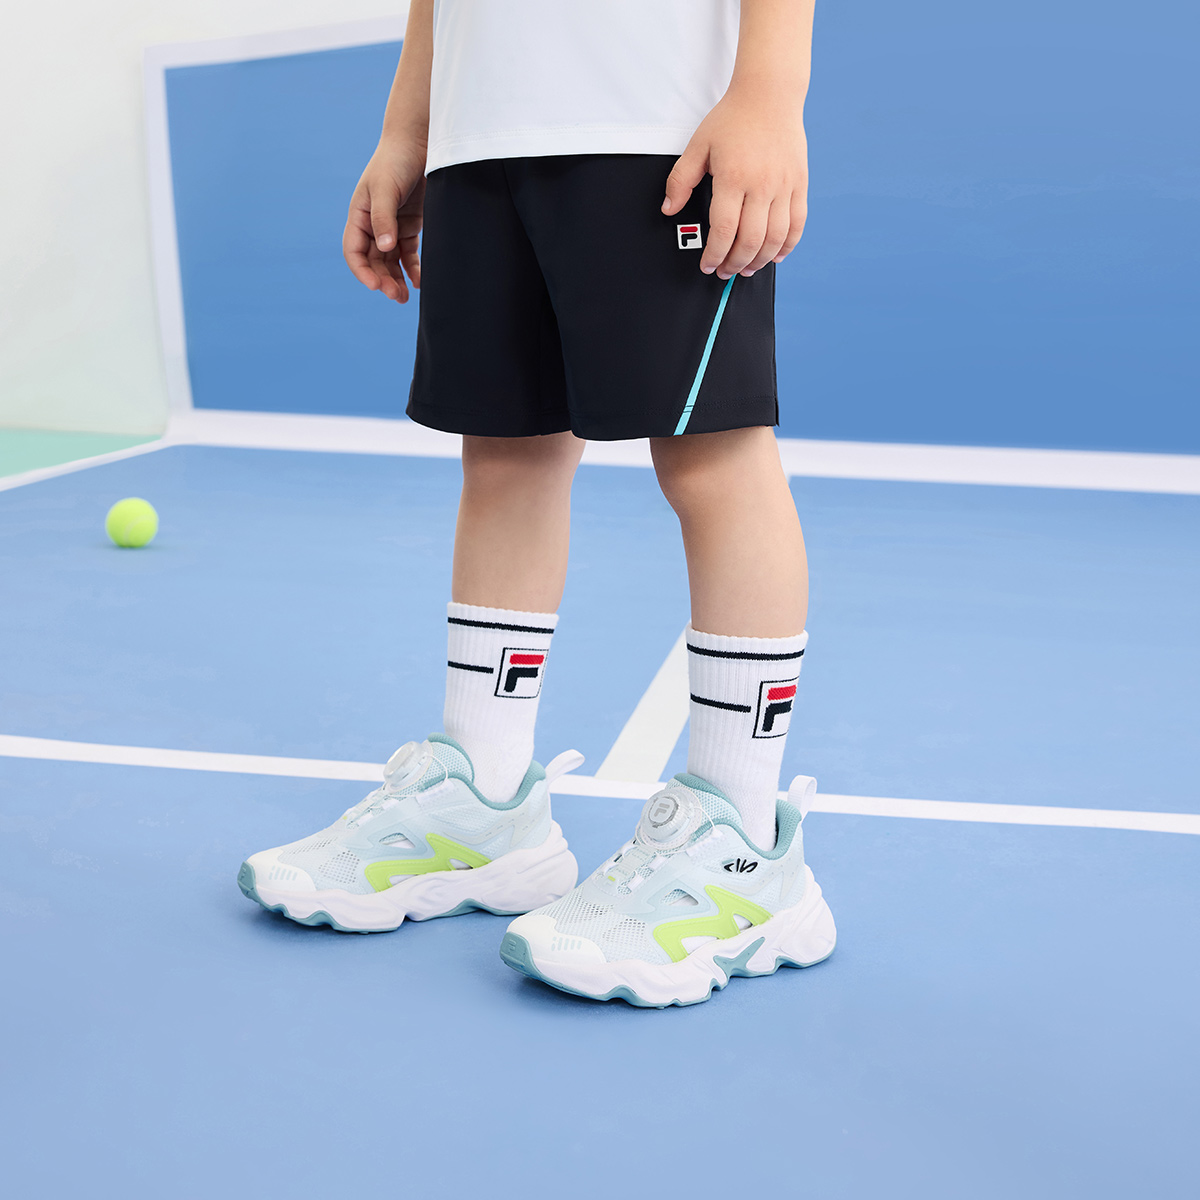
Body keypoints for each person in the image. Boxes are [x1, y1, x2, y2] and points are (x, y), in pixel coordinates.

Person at [238, 0, 836, 1007]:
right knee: (506, 456)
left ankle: (743, 851)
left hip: (657, 122)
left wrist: (770, 94)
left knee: (713, 456)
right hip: (481, 135)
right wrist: (408, 130)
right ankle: (485, 800)